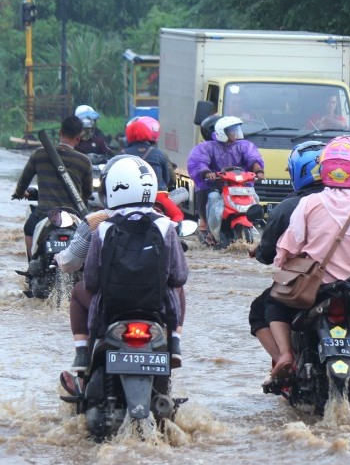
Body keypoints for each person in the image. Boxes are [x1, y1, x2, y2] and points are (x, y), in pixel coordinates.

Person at [265, 136, 350, 382]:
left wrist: (283, 261)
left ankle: (286, 355)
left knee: (268, 306)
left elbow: (287, 249)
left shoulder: (309, 204)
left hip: (314, 291)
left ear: (323, 169)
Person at [54, 155, 187, 374]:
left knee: (78, 292)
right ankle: (174, 342)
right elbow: (179, 275)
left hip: (110, 308)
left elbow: (92, 278)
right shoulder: (165, 224)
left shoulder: (100, 224)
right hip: (158, 307)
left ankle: (82, 353)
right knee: (178, 287)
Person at [248, 141, 327, 377]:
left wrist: (260, 252)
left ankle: (285, 357)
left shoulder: (288, 208)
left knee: (264, 308)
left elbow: (271, 254)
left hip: (305, 285)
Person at [12, 115, 93, 261]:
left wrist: (19, 193)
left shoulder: (39, 154)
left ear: (60, 132)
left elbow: (23, 182)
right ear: (78, 138)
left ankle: (32, 265)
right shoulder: (84, 161)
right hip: (74, 215)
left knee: (29, 229)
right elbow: (87, 193)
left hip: (45, 214)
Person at [187, 115, 265, 244]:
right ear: (222, 132)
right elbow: (199, 162)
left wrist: (258, 171)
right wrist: (207, 173)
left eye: (236, 129)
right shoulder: (207, 147)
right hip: (216, 185)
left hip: (238, 185)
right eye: (231, 130)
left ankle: (253, 221)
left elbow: (253, 158)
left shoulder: (244, 145)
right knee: (213, 198)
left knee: (254, 196)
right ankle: (211, 231)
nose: (235, 133)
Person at [122, 116, 183, 222]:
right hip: (157, 196)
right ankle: (171, 235)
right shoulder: (159, 154)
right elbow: (167, 179)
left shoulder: (122, 154)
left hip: (130, 197)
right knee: (178, 215)